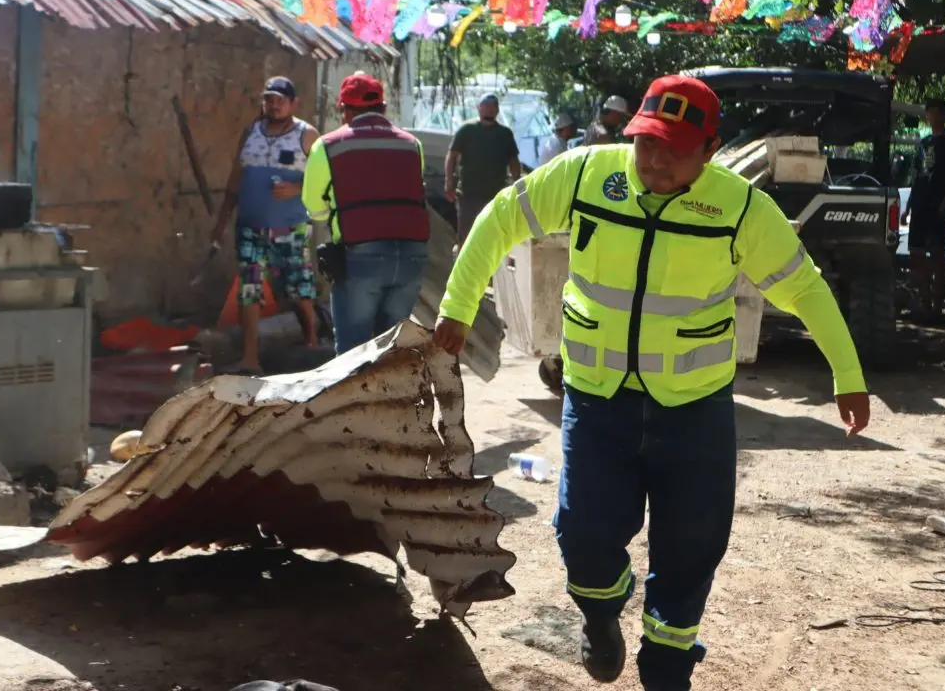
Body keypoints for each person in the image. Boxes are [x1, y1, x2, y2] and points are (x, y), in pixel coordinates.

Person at [433, 74, 871, 691]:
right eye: (646, 143)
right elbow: (502, 217)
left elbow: (805, 288)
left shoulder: (741, 208)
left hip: (693, 410)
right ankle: (600, 614)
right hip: (598, 398)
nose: (655, 160)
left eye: (675, 150)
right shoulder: (587, 175)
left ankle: (667, 669)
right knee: (583, 536)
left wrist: (847, 375)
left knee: (692, 546)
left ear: (711, 150)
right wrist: (458, 304)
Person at [301, 74, 429, 356]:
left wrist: (333, 214)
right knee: (392, 350)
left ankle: (358, 387)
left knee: (353, 353)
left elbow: (314, 206)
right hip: (412, 257)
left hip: (361, 257)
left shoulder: (328, 145)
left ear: (345, 111)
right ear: (383, 108)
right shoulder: (412, 144)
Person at [212, 76, 320, 376]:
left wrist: (296, 189)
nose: (274, 105)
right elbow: (235, 178)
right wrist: (221, 221)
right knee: (249, 290)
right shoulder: (251, 133)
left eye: (281, 100)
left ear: (294, 103)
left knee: (299, 289)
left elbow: (327, 179)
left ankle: (313, 344)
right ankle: (250, 358)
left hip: (291, 228)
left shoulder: (307, 135)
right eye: (269, 99)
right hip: (250, 227)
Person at [902, 98, 945, 324]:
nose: (931, 116)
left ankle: (938, 310)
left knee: (938, 255)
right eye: (929, 112)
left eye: (936, 112)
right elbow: (917, 177)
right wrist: (907, 207)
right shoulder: (924, 143)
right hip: (919, 205)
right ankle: (925, 306)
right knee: (916, 254)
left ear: (944, 116)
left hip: (938, 205)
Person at [444, 93, 521, 245]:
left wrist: (518, 183)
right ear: (479, 108)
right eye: (485, 106)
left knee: (494, 237)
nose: (489, 109)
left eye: (493, 106)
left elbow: (513, 160)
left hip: (496, 195)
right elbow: (451, 156)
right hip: (469, 195)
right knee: (466, 237)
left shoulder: (505, 134)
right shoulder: (467, 130)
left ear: (497, 110)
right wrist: (449, 182)